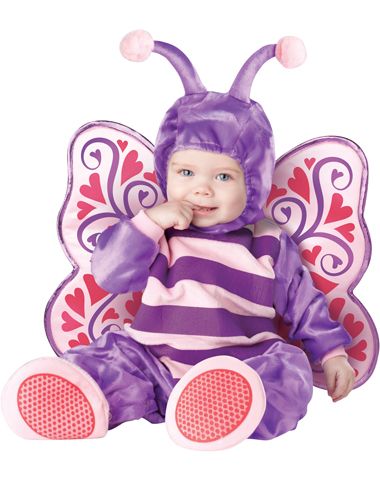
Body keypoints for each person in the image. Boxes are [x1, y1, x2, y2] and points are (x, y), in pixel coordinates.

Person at [1, 32, 355, 450]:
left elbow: (304, 303)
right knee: (114, 358)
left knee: (287, 371)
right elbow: (110, 273)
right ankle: (80, 396)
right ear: (165, 171)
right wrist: (150, 221)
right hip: (151, 361)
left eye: (223, 177)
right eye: (186, 173)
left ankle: (227, 406)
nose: (202, 190)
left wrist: (333, 353)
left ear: (255, 182)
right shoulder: (160, 234)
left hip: (239, 364)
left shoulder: (268, 242)